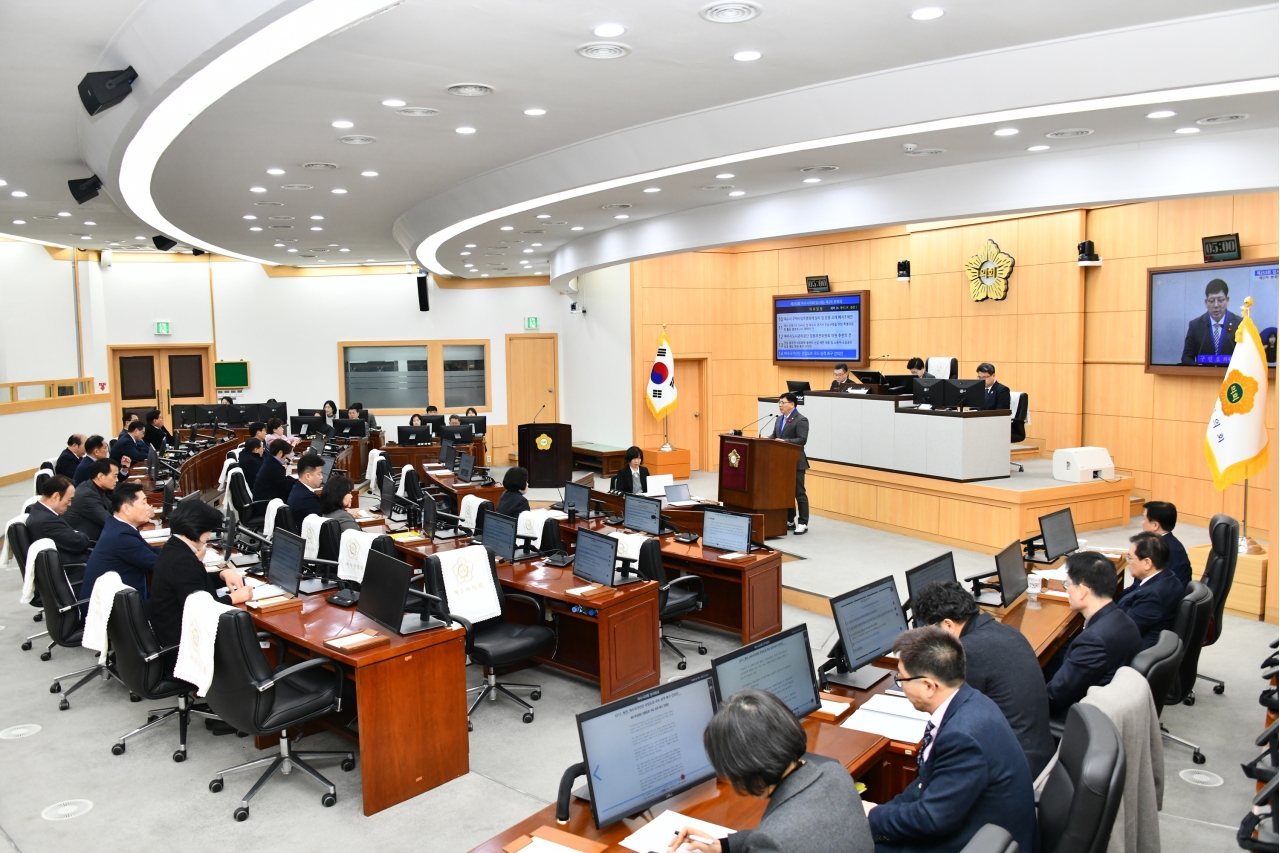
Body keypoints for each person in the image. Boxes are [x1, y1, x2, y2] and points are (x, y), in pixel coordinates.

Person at [866, 628, 1037, 853]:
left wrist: (872, 817)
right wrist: (876, 814)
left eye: (901, 679)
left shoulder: (961, 737)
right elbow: (923, 785)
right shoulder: (974, 702)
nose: (901, 684)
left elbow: (931, 819)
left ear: (928, 686)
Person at [669, 688, 873, 853]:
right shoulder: (836, 774)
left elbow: (779, 839)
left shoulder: (771, 841)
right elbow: (799, 835)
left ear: (744, 768)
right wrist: (725, 846)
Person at [912, 581, 1055, 778]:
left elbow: (950, 715)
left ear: (948, 625)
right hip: (1040, 755)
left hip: (1014, 771)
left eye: (929, 630)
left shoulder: (966, 653)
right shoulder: (1007, 631)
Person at [1044, 550, 1142, 715]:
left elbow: (1054, 698)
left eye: (1067, 584)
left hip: (1081, 716)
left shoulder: (1094, 641)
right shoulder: (1122, 620)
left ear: (1083, 590)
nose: (1067, 591)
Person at [81, 482, 158, 600]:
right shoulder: (122, 536)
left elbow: (151, 551)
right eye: (144, 503)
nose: (148, 507)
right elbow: (157, 564)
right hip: (113, 608)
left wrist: (182, 549)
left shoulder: (117, 525)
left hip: (123, 601)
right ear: (126, 509)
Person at [1117, 532, 1184, 649]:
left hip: (1136, 650)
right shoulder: (1166, 575)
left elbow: (1123, 631)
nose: (1128, 562)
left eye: (1130, 558)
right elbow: (1127, 593)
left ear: (1147, 563)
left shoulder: (1153, 595)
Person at [26, 474, 92, 572]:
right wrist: (78, 534)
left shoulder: (39, 512)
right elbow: (80, 543)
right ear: (55, 497)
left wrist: (76, 533)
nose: (70, 504)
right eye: (69, 499)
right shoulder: (46, 521)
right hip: (74, 569)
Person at [1181, 279, 1243, 365]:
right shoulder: (1195, 325)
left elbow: (1247, 357)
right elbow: (1186, 357)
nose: (1216, 305)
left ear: (1227, 300)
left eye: (1220, 300)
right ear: (1206, 302)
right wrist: (1198, 368)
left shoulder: (1240, 324)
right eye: (1211, 300)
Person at [773, 392, 809, 535]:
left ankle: (803, 522)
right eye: (779, 402)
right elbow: (775, 436)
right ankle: (790, 520)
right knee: (785, 493)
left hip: (796, 462)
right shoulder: (779, 419)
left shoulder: (801, 420)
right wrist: (766, 439)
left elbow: (802, 440)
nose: (780, 405)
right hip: (782, 463)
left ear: (792, 404)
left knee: (799, 493)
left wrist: (784, 441)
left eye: (783, 402)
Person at [64, 459, 119, 543]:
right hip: (87, 543)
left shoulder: (94, 487)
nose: (117, 480)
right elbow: (109, 521)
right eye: (114, 476)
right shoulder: (87, 495)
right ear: (100, 476)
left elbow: (113, 508)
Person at [1142, 500, 1192, 587]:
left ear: (1155, 525)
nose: (1142, 523)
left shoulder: (1162, 550)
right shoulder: (1170, 543)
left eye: (1144, 519)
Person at [254, 439, 296, 503]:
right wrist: (300, 481)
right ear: (280, 453)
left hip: (268, 497)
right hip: (267, 503)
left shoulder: (270, 461)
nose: (285, 458)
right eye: (286, 455)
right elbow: (287, 486)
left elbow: (283, 481)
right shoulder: (274, 466)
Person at [287, 454, 325, 522]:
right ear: (308, 476)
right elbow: (321, 521)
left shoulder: (296, 487)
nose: (321, 477)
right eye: (319, 474)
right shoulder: (308, 498)